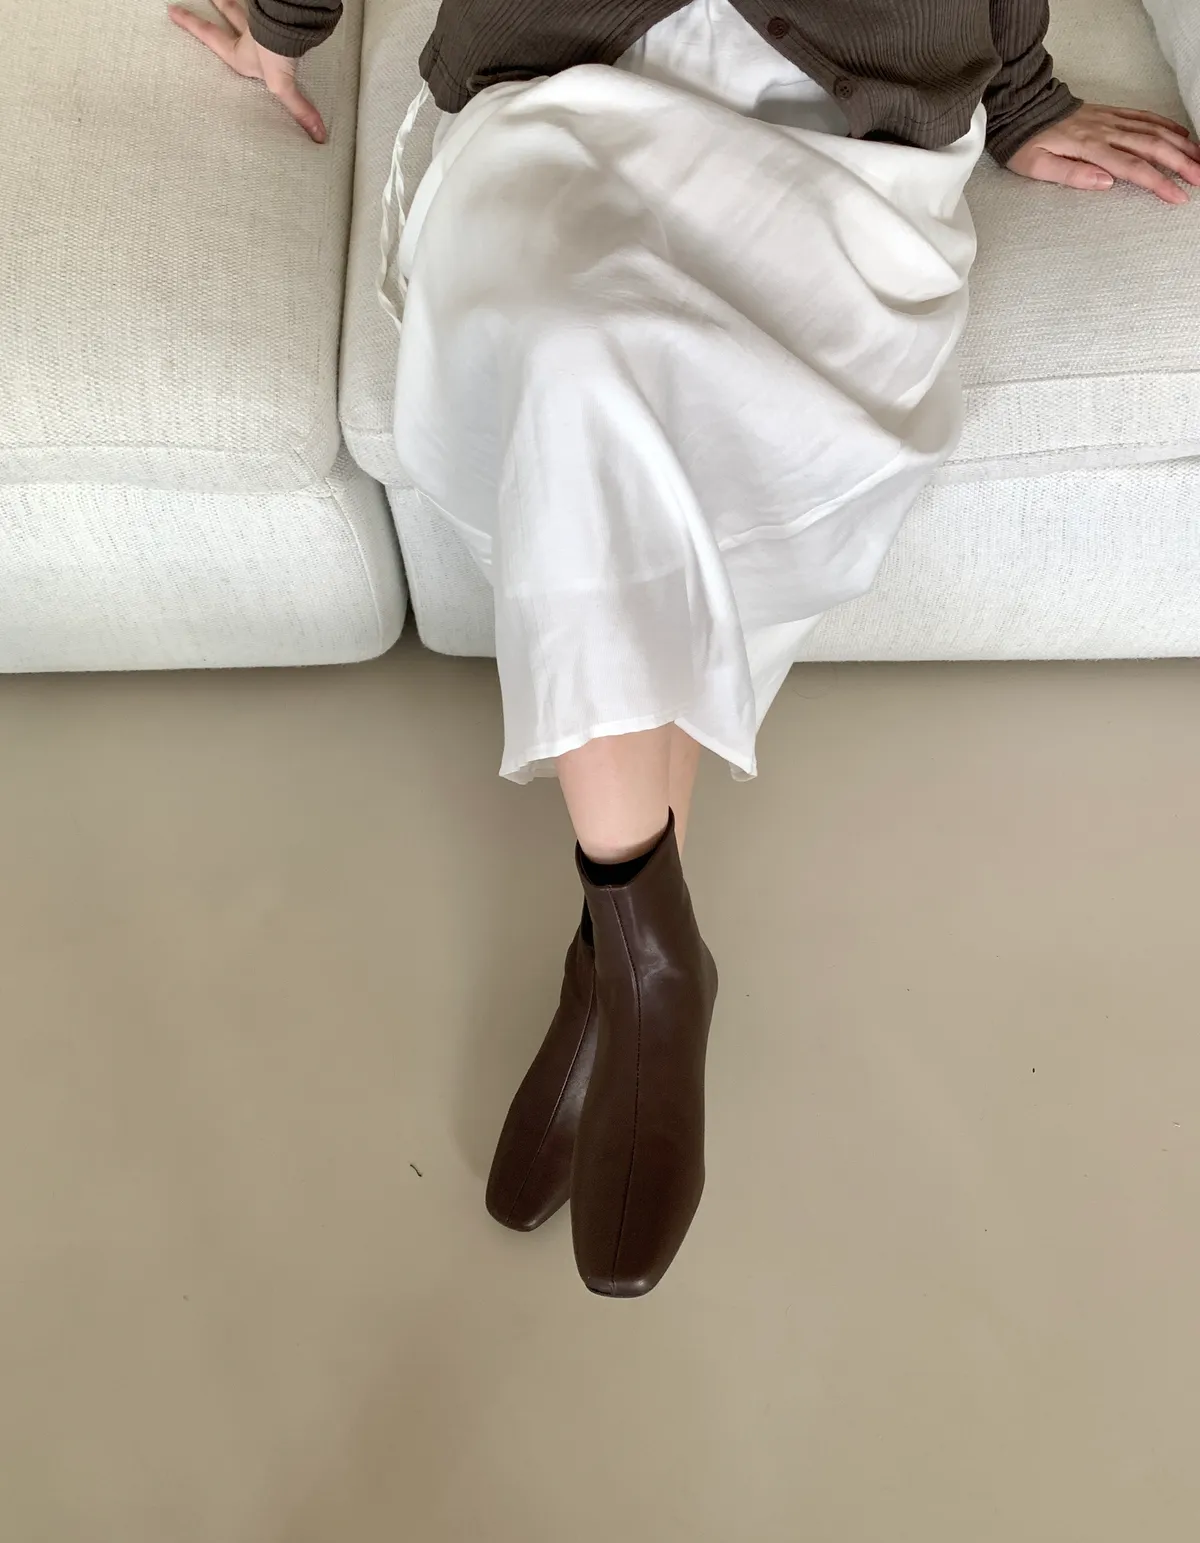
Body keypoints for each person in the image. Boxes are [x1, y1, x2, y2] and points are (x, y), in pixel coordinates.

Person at [172, 0, 1200, 1297]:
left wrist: (1026, 91)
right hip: (558, 88)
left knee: (670, 418)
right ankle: (656, 967)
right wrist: (282, 24)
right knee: (579, 357)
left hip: (847, 136)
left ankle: (609, 969)